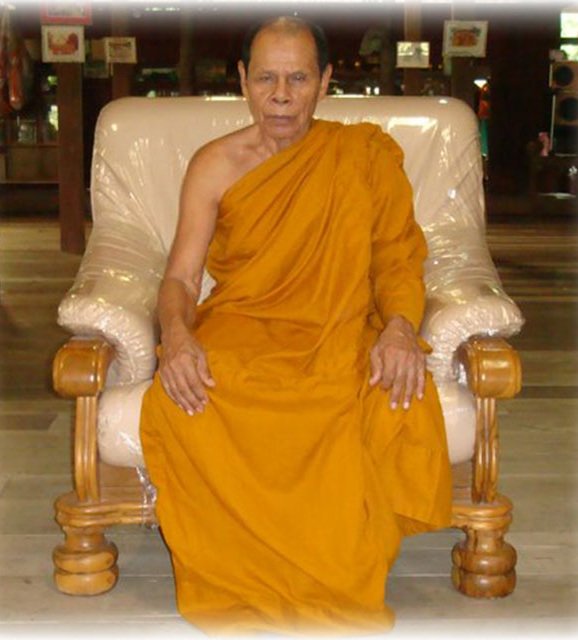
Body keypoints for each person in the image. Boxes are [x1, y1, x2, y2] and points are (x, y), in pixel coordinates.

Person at [139, 15, 452, 637]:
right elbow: (179, 279)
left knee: (375, 392)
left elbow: (396, 259)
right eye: (267, 78)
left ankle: (333, 579)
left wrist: (397, 328)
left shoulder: (361, 156)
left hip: (338, 325)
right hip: (245, 322)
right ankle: (242, 578)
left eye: (299, 78)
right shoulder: (215, 163)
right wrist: (176, 338)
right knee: (184, 398)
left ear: (326, 81)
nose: (281, 94)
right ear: (243, 82)